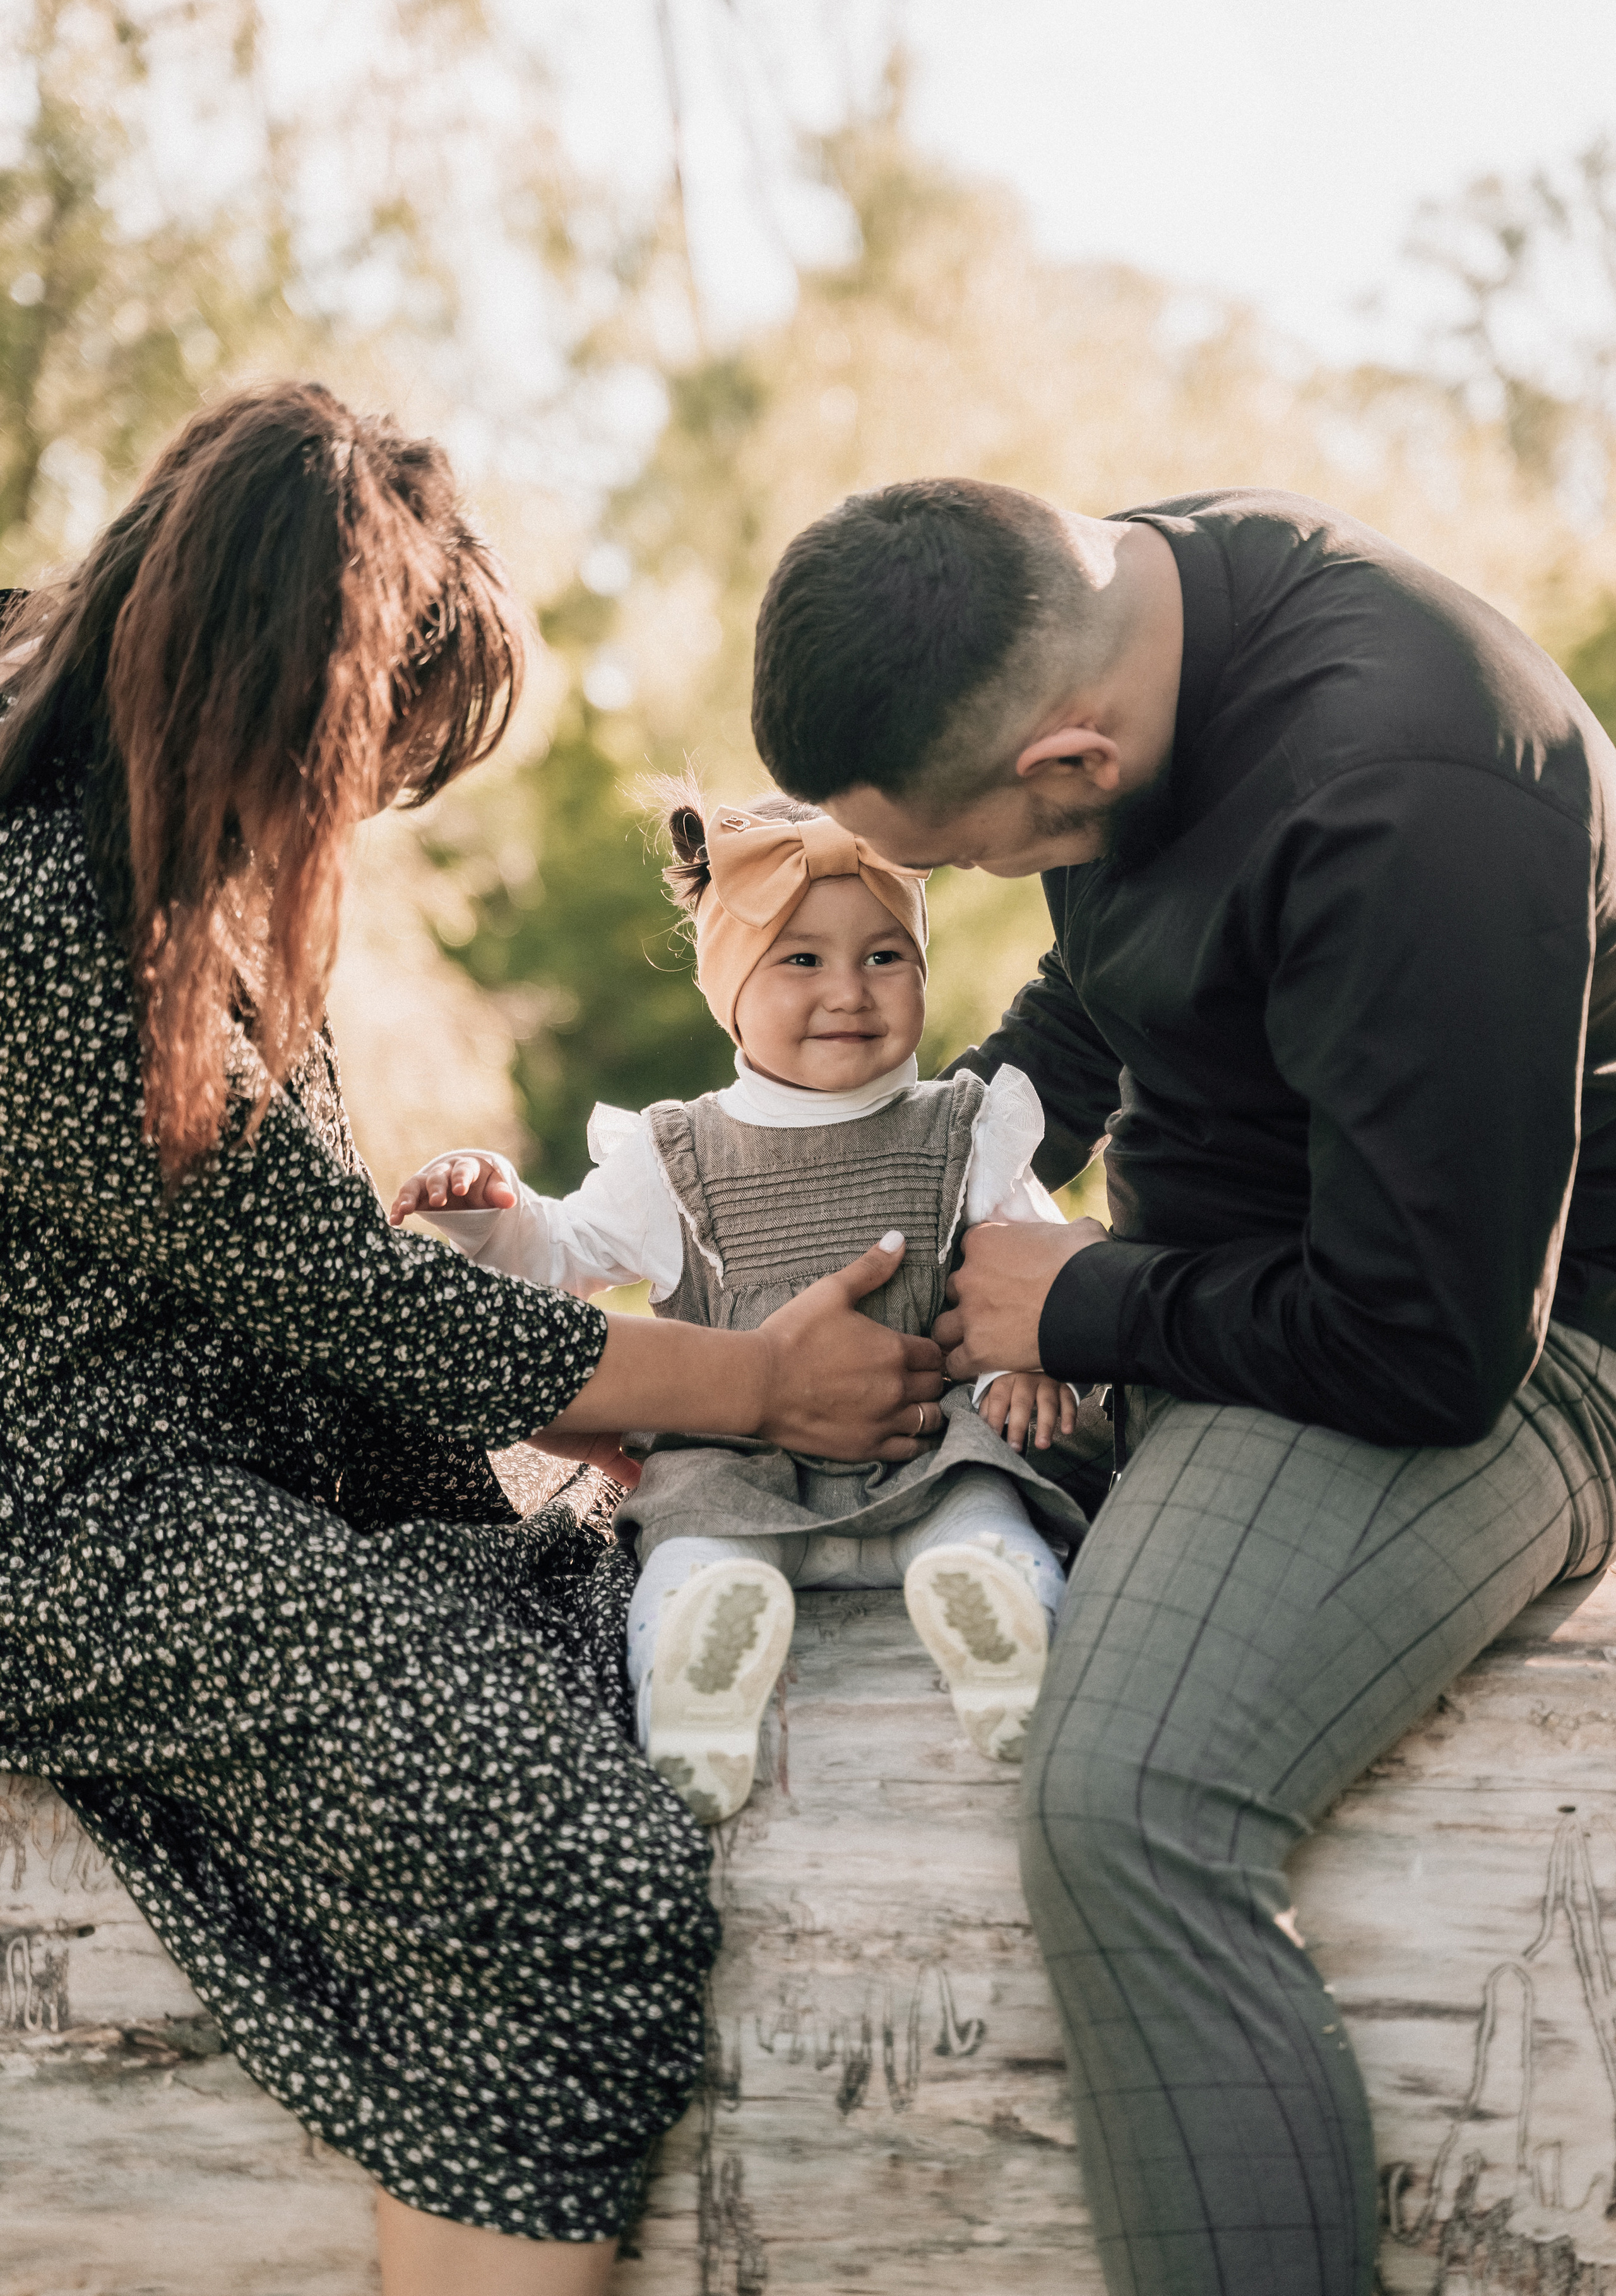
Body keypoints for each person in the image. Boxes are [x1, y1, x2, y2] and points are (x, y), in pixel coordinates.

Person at [0, 382, 947, 2296]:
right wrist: (751, 1379)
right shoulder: (48, 921)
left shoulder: (169, 845)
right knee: (575, 1876)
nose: (358, 815)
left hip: (206, 1474)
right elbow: (348, 1301)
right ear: (287, 704)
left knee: (587, 1621)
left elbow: (313, 1274)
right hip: (67, 1525)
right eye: (372, 763)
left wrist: (589, 1402)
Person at [747, 475, 1616, 2296]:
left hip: (1509, 1348)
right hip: (1209, 1287)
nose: (999, 887)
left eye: (985, 852)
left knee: (1125, 1804)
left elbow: (1435, 1341)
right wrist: (911, 1214)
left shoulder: (1414, 786)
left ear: (1074, 759)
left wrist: (1097, 1309)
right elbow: (1096, 1013)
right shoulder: (1104, 606)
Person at [392, 787, 1093, 1824]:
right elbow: (566, 1260)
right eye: (802, 960)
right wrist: (493, 1216)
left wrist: (1028, 1367)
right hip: (740, 1471)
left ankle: (1005, 1648)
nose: (849, 991)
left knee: (992, 1515)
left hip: (928, 1453)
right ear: (730, 986)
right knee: (685, 1552)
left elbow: (1035, 1271)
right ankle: (699, 1694)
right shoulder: (678, 1152)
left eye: (884, 956)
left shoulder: (967, 1126)